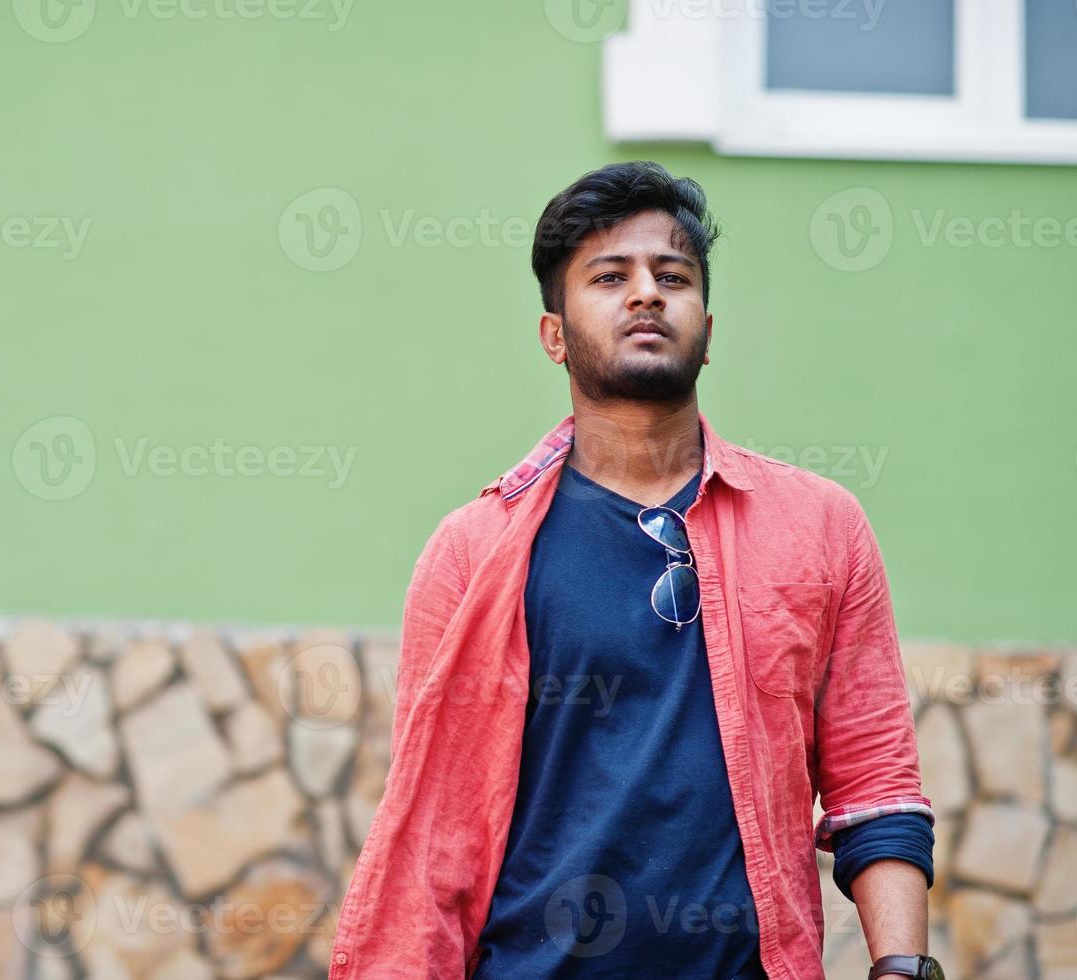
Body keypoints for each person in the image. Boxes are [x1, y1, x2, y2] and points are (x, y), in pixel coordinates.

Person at [328, 162, 940, 979]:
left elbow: (877, 784)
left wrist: (901, 967)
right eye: (609, 276)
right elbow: (434, 829)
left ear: (708, 329)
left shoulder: (820, 526)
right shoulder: (471, 552)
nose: (646, 294)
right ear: (554, 335)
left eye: (671, 276)